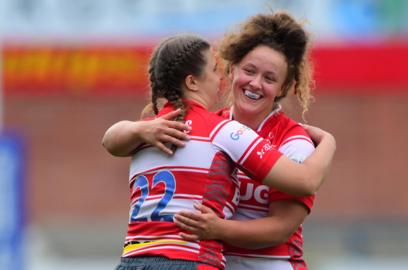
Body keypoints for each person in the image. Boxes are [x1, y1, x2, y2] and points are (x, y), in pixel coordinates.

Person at [103, 34, 335, 270]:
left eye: (269, 77)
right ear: (193, 82)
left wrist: (135, 128)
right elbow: (305, 180)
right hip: (191, 260)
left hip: (132, 260)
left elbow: (108, 141)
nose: (220, 77)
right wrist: (328, 141)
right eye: (215, 70)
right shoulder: (223, 131)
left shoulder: (146, 130)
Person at [172, 12, 324, 270]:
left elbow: (281, 229)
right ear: (232, 70)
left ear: (284, 88)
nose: (255, 84)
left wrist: (218, 229)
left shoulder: (295, 141)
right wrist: (137, 131)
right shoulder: (206, 127)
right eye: (249, 71)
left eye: (269, 78)